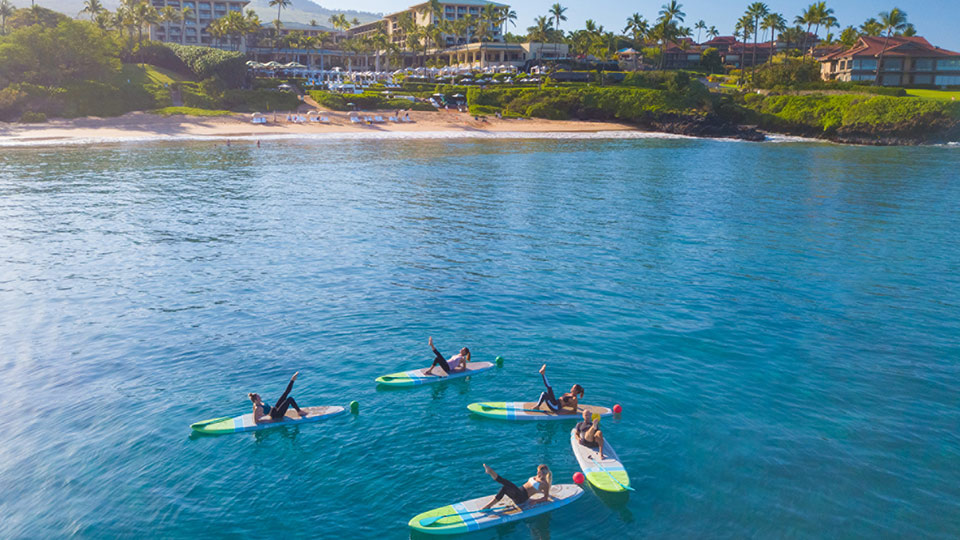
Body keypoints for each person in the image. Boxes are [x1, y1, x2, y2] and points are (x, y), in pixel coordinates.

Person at [479, 463, 552, 511]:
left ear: (546, 473)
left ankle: (490, 471)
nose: (538, 473)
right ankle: (489, 506)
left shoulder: (544, 484)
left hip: (521, 498)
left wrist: (535, 501)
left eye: (542, 472)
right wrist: (539, 491)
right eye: (538, 471)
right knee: (504, 488)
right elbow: (536, 489)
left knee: (506, 483)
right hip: (518, 492)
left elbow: (546, 498)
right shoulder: (536, 477)